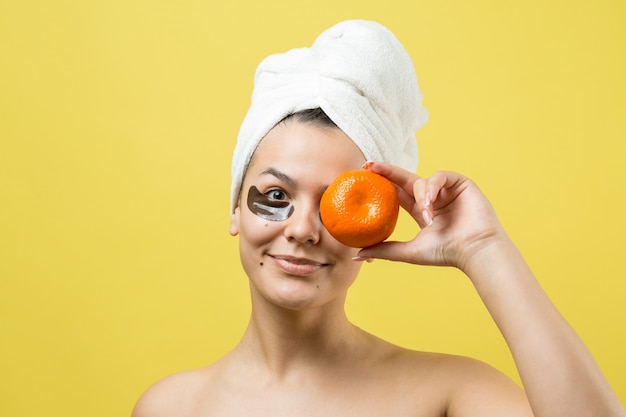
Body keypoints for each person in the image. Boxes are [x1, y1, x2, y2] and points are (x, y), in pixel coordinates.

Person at [132, 20, 625, 417]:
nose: (302, 229)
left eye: (334, 204)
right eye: (276, 194)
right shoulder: (171, 407)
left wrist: (484, 249)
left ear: (378, 223)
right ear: (236, 205)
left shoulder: (448, 395)